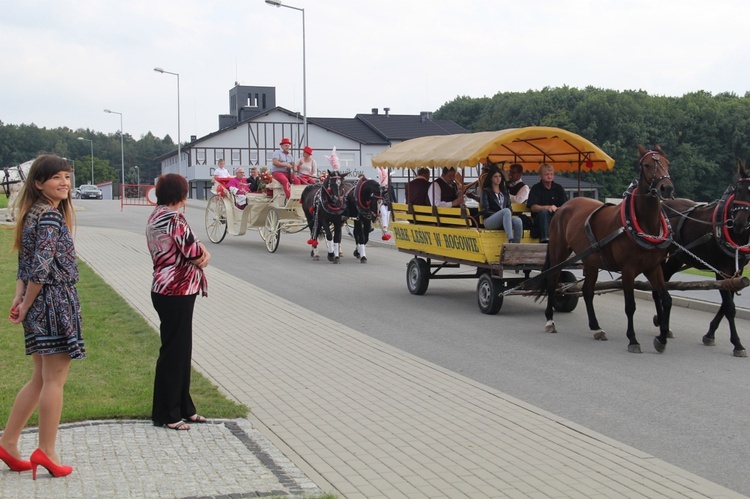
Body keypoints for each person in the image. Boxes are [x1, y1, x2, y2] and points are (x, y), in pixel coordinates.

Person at [0, 154, 84, 479]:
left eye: (67, 176)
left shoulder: (31, 214)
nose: (64, 183)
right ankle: (46, 451)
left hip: (39, 303)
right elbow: (39, 268)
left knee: (39, 378)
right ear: (38, 182)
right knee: (53, 380)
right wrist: (26, 300)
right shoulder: (49, 217)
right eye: (57, 178)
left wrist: (20, 301)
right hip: (54, 301)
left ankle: (8, 441)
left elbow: (25, 266)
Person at [146, 173, 210, 431]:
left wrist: (200, 252)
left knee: (179, 350)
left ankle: (184, 407)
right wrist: (206, 253)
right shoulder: (174, 218)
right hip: (177, 290)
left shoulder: (155, 215)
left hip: (165, 288)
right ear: (181, 194)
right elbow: (195, 253)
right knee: (175, 352)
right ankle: (168, 413)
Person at [480, 163, 523, 243]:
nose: (498, 179)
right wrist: (501, 214)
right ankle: (510, 239)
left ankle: (516, 246)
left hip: (504, 219)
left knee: (518, 221)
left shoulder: (505, 191)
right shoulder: (486, 191)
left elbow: (509, 208)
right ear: (491, 178)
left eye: (499, 176)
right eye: (495, 177)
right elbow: (485, 210)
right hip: (490, 220)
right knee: (506, 211)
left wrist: (504, 215)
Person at [526, 163, 567, 243]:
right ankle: (546, 239)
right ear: (540, 175)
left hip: (556, 218)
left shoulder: (559, 188)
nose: (549, 176)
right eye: (547, 174)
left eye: (551, 174)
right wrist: (547, 207)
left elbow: (566, 205)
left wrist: (559, 209)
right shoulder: (536, 188)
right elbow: (533, 207)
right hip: (540, 220)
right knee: (544, 212)